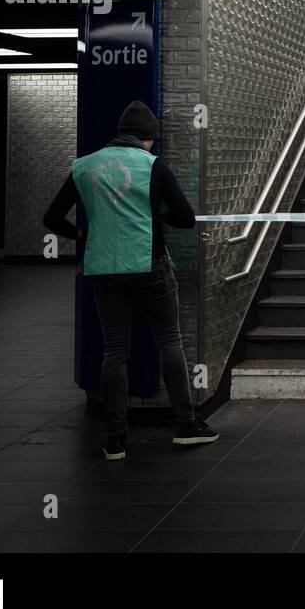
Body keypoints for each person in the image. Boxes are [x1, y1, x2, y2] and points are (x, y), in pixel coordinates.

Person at [43, 100, 218, 460]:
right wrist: (158, 210)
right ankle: (185, 424)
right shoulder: (154, 166)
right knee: (170, 341)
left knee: (114, 352)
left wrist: (78, 235)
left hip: (105, 269)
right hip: (149, 265)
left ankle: (116, 439)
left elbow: (52, 217)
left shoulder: (84, 167)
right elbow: (185, 218)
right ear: (149, 138)